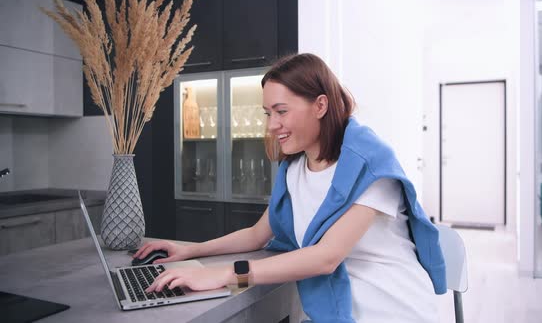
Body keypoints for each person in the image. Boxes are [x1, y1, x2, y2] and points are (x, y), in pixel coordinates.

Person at [137, 53, 446, 322]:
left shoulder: (371, 165)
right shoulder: (294, 168)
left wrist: (223, 274)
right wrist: (192, 251)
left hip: (394, 312)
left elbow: (326, 257)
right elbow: (258, 234)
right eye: (268, 113)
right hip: (335, 311)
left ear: (320, 105)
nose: (272, 125)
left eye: (281, 111)